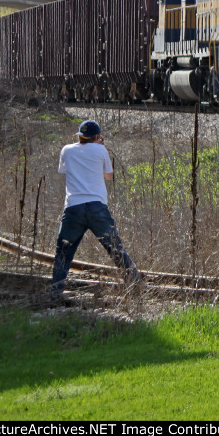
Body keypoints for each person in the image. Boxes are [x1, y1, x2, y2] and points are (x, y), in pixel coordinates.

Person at [50, 119, 141, 301]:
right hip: (97, 207)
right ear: (97, 137)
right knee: (115, 248)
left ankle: (56, 291)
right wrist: (99, 149)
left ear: (80, 136)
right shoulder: (101, 150)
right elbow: (109, 176)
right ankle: (135, 284)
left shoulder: (66, 150)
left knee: (63, 251)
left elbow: (64, 170)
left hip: (73, 207)